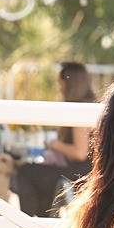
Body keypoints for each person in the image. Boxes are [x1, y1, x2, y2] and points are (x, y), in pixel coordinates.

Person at [16, 62, 96, 217]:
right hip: (92, 175)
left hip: (81, 178)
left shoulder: (80, 109)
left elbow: (80, 153)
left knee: (26, 171)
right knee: (43, 176)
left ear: (68, 83)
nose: (60, 88)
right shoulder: (94, 104)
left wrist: (53, 144)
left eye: (61, 83)